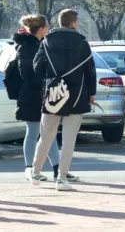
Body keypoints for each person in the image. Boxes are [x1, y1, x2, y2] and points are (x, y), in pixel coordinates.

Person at [27, 9, 96, 191]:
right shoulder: (82, 43)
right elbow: (90, 71)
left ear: (60, 22)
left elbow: (37, 67)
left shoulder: (47, 41)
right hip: (77, 95)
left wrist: (50, 79)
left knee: (46, 136)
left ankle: (35, 172)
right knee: (69, 139)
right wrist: (92, 93)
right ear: (74, 23)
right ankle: (62, 178)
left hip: (53, 94)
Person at [14, 14, 79, 183]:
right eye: (47, 26)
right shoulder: (26, 46)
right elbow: (28, 74)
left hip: (43, 94)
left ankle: (58, 168)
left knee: (48, 132)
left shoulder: (40, 43)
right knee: (34, 131)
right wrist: (45, 82)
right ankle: (30, 168)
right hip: (31, 96)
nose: (49, 28)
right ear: (41, 28)